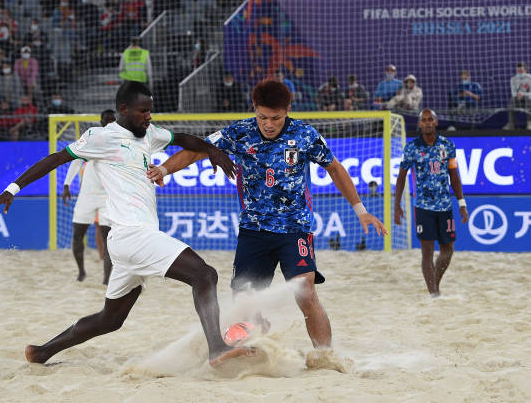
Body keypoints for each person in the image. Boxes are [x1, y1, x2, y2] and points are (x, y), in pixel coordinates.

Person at [0, 81, 253, 367]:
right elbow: (55, 159)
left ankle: (41, 352)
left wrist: (212, 150)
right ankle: (217, 349)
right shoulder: (102, 137)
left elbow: (183, 138)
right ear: (124, 109)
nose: (149, 116)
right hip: (134, 236)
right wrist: (11, 189)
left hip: (127, 241)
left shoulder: (148, 134)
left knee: (110, 319)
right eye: (143, 111)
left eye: (150, 110)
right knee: (204, 275)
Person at [147, 79, 387, 365]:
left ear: (287, 111)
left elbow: (334, 167)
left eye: (275, 118)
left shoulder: (304, 135)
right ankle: (257, 331)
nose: (268, 124)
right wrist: (163, 168)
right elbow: (197, 150)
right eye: (262, 117)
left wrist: (361, 209)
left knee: (305, 290)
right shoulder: (240, 131)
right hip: (253, 232)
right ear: (254, 110)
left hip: (294, 229)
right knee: (243, 298)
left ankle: (326, 356)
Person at [394, 109, 468, 297]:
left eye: (430, 119)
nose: (427, 122)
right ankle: (433, 292)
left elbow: (454, 176)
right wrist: (397, 205)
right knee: (427, 251)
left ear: (436, 122)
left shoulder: (447, 145)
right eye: (423, 120)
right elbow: (401, 178)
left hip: (445, 206)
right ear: (419, 124)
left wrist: (462, 203)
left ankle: (435, 281)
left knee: (448, 250)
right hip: (423, 207)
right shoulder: (412, 148)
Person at [62, 109, 115, 284]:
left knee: (108, 241)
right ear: (100, 121)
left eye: (112, 120)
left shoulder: (120, 141)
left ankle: (106, 279)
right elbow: (76, 160)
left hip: (107, 197)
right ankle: (81, 272)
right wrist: (67, 184)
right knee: (77, 236)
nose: (108, 122)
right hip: (87, 196)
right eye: (106, 120)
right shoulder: (92, 138)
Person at [504, 62, 531, 130]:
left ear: (525, 70)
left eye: (521, 71)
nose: (519, 72)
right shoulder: (513, 79)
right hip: (517, 98)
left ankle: (529, 123)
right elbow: (513, 93)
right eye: (518, 71)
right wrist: (518, 95)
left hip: (528, 99)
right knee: (511, 102)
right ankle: (511, 124)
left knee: (528, 100)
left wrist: (523, 94)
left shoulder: (530, 78)